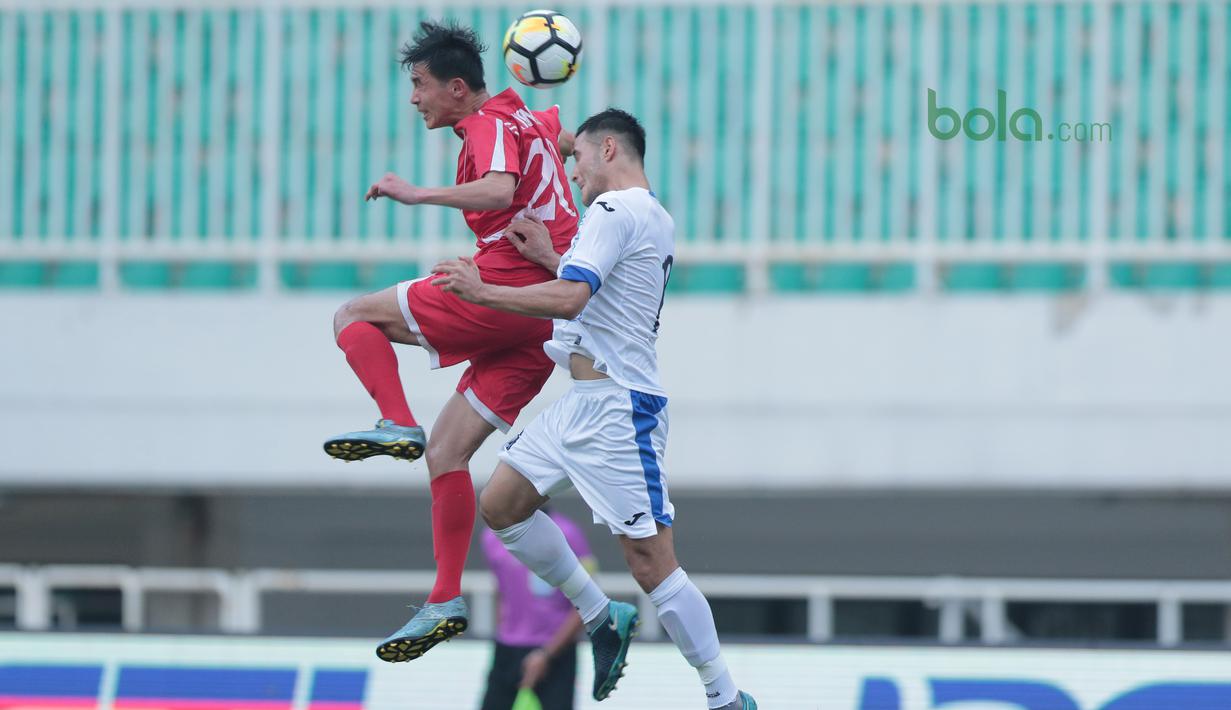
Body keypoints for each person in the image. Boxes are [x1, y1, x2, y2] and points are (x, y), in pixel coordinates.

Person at [431, 109, 756, 709]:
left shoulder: (611, 210)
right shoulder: (651, 214)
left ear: (608, 149)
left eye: (576, 156)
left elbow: (575, 295)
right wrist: (550, 260)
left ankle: (724, 695)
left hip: (618, 408)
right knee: (501, 505)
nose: (572, 170)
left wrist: (482, 290)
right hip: (582, 402)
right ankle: (600, 614)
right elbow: (599, 289)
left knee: (653, 563)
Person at [321, 20, 579, 663]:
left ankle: (393, 419)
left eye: (420, 84)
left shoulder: (490, 125)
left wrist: (415, 192)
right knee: (448, 453)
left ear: (456, 88)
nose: (414, 98)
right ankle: (444, 599)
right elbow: (566, 140)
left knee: (353, 316)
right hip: (543, 319)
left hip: (503, 291)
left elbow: (497, 187)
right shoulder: (525, 116)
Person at [479, 506, 593, 710]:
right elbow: (502, 591)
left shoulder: (568, 533)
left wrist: (547, 654)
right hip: (507, 648)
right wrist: (504, 633)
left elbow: (585, 603)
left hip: (556, 651)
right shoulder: (492, 535)